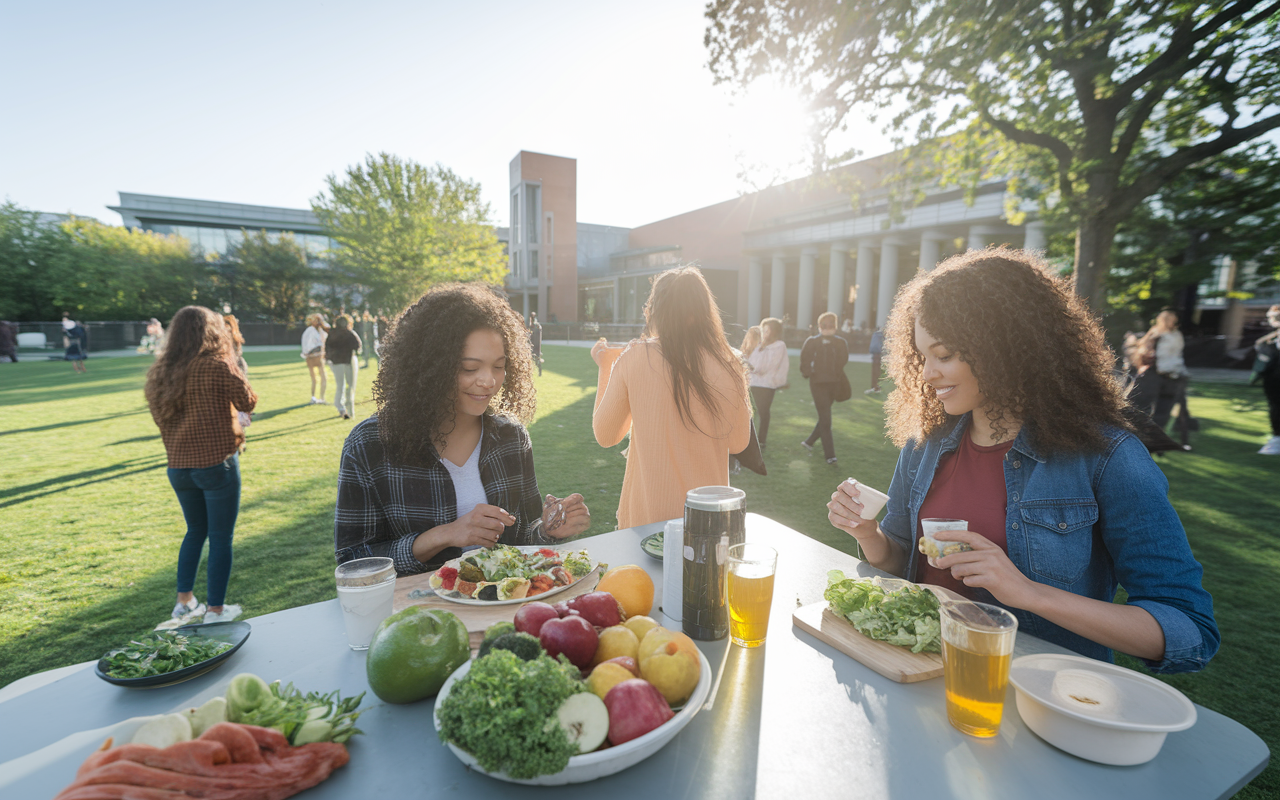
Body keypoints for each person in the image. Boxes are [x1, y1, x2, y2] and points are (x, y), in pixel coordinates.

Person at [826, 249, 1219, 674]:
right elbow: (901, 559)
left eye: (944, 355)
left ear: (1005, 348)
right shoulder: (926, 444)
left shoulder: (1107, 456)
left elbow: (1190, 631)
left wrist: (1027, 592)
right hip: (919, 676)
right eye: (922, 357)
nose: (926, 374)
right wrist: (868, 534)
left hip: (1035, 695)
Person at [334, 283, 591, 574]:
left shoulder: (511, 437)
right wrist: (444, 535)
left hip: (501, 613)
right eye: (470, 368)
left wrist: (549, 528)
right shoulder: (370, 445)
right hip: (419, 615)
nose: (488, 381)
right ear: (429, 367)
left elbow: (522, 540)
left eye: (499, 366)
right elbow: (353, 561)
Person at [591, 266, 751, 529]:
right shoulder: (729, 363)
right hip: (708, 521)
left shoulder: (635, 356)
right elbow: (738, 443)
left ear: (655, 310)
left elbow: (606, 435)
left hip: (646, 522)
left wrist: (605, 367)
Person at [146, 306, 258, 624]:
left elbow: (159, 418)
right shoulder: (216, 364)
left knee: (195, 531)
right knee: (220, 536)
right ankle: (216, 610)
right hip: (215, 463)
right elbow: (248, 400)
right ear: (212, 331)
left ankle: (184, 602)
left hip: (178, 467)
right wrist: (232, 363)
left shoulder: (160, 372)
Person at [799, 312, 849, 464]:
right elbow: (804, 360)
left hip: (835, 384)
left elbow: (843, 360)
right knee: (826, 418)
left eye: (831, 325)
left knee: (824, 416)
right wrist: (811, 373)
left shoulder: (840, 342)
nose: (828, 329)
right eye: (824, 325)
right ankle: (830, 455)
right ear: (819, 326)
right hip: (818, 385)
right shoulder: (812, 342)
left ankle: (809, 442)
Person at [1141, 310, 1192, 445]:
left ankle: (1159, 440)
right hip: (1155, 375)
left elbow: (1176, 354)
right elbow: (1144, 350)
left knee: (1166, 410)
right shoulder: (1155, 333)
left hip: (1174, 375)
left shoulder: (1176, 334)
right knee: (1146, 407)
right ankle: (1147, 439)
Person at [746, 318, 788, 449]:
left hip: (767, 385)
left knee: (763, 412)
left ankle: (762, 440)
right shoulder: (759, 345)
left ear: (774, 331)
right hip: (752, 383)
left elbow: (768, 366)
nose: (764, 332)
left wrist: (754, 367)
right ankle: (747, 439)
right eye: (763, 329)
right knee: (749, 412)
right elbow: (750, 360)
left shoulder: (778, 346)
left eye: (768, 330)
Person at [326, 314, 363, 420]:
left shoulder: (332, 333)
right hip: (349, 361)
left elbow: (327, 347)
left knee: (340, 385)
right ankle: (350, 410)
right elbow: (358, 346)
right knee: (350, 386)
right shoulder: (350, 333)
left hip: (336, 362)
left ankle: (340, 407)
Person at [1254, 304, 1280, 455]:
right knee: (1275, 407)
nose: (1271, 319)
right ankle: (1277, 437)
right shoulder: (1271, 339)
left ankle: (1277, 439)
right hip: (1272, 380)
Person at [866, 326, 885, 394]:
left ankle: (876, 387)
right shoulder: (879, 335)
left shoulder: (877, 335)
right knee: (877, 372)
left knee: (877, 372)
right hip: (878, 355)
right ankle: (876, 387)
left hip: (877, 355)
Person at [529, 312, 543, 377]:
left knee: (536, 359)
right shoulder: (536, 325)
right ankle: (539, 372)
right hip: (534, 345)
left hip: (534, 345)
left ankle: (539, 372)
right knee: (536, 359)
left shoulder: (534, 325)